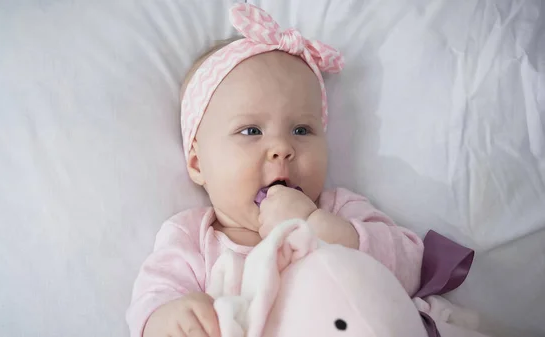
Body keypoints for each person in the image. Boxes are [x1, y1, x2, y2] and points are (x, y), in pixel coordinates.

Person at [127, 4, 424, 337]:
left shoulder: (338, 210)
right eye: (251, 131)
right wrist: (167, 319)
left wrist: (316, 226)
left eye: (301, 130)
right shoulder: (193, 238)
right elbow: (152, 297)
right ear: (197, 163)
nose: (283, 147)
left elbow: (410, 265)